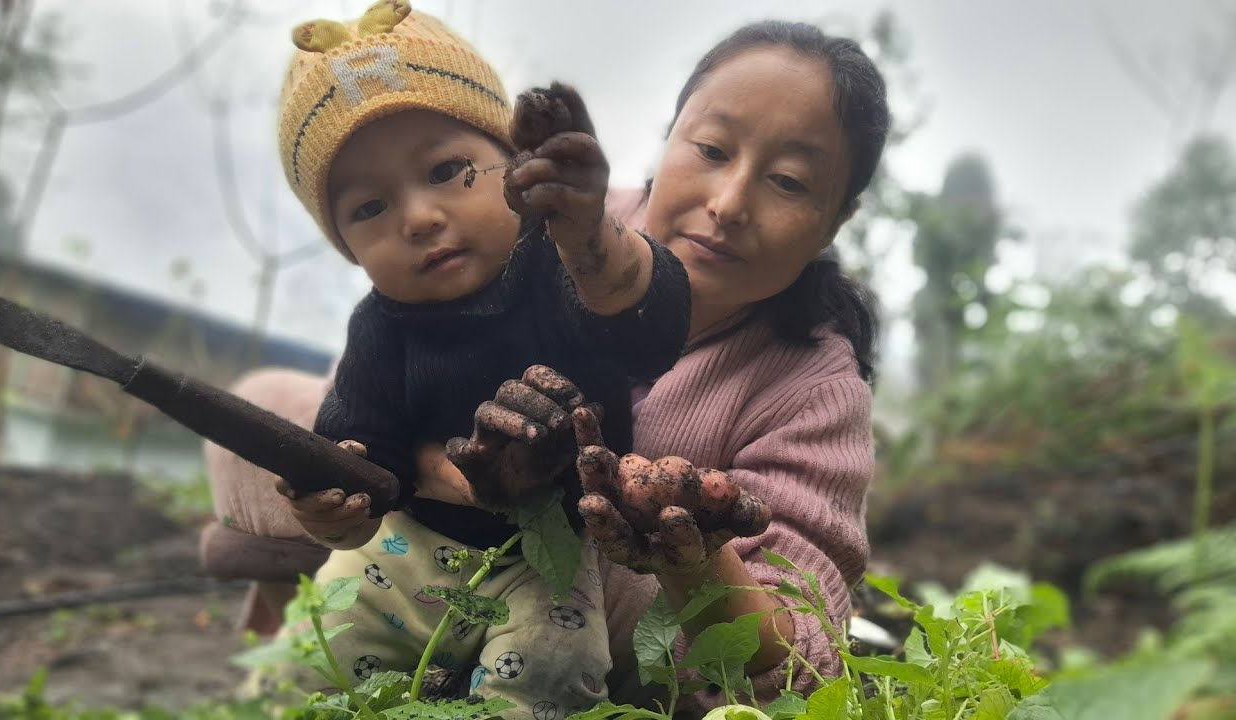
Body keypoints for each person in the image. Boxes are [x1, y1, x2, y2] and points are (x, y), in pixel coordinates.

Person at [203, 14, 888, 716]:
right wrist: (430, 473)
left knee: (585, 617)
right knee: (269, 412)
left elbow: (801, 664)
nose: (728, 203)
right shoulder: (526, 216)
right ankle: (329, 645)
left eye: (789, 181)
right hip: (421, 541)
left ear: (838, 218)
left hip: (589, 584)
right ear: (670, 137)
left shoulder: (812, 387)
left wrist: (685, 549)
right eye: (712, 149)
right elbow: (373, 393)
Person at [241, 1, 696, 714]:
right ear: (346, 246)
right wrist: (334, 506)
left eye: (448, 170)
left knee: (554, 664)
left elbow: (648, 329)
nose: (420, 217)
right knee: (309, 654)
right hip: (406, 551)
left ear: (515, 163)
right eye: (369, 208)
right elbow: (360, 445)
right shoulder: (381, 327)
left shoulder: (562, 266)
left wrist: (588, 237)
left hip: (542, 556)